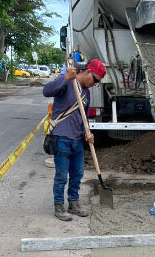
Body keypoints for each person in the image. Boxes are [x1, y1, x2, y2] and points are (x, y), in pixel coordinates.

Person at [42, 58, 107, 221]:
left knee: (77, 173)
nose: (95, 84)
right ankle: (59, 206)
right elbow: (46, 91)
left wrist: (87, 132)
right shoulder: (67, 82)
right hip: (61, 136)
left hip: (77, 138)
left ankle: (73, 203)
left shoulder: (86, 93)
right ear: (87, 72)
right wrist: (65, 78)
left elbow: (82, 116)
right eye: (95, 80)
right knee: (62, 175)